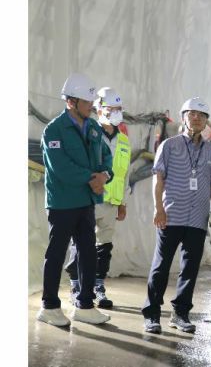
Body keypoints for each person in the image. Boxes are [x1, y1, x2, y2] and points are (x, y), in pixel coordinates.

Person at [141, 97, 211, 334]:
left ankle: (180, 314)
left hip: (197, 219)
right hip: (170, 217)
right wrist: (158, 208)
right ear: (183, 117)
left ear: (207, 121)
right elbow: (158, 180)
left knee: (190, 268)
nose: (197, 118)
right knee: (161, 267)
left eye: (202, 115)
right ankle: (152, 315)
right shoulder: (169, 146)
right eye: (192, 114)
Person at [36, 73, 113, 327]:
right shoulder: (54, 130)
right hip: (62, 202)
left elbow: (105, 155)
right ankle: (49, 306)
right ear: (71, 102)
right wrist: (92, 176)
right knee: (57, 253)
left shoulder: (92, 127)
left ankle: (85, 305)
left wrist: (105, 174)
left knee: (88, 253)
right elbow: (61, 168)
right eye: (87, 102)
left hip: (86, 200)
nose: (92, 106)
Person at [65, 87, 131, 309]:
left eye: (118, 109)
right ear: (98, 109)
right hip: (90, 199)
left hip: (112, 203)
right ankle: (76, 284)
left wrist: (123, 202)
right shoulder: (90, 133)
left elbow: (124, 173)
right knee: (82, 243)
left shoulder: (123, 140)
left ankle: (98, 286)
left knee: (105, 247)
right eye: (111, 108)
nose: (115, 112)